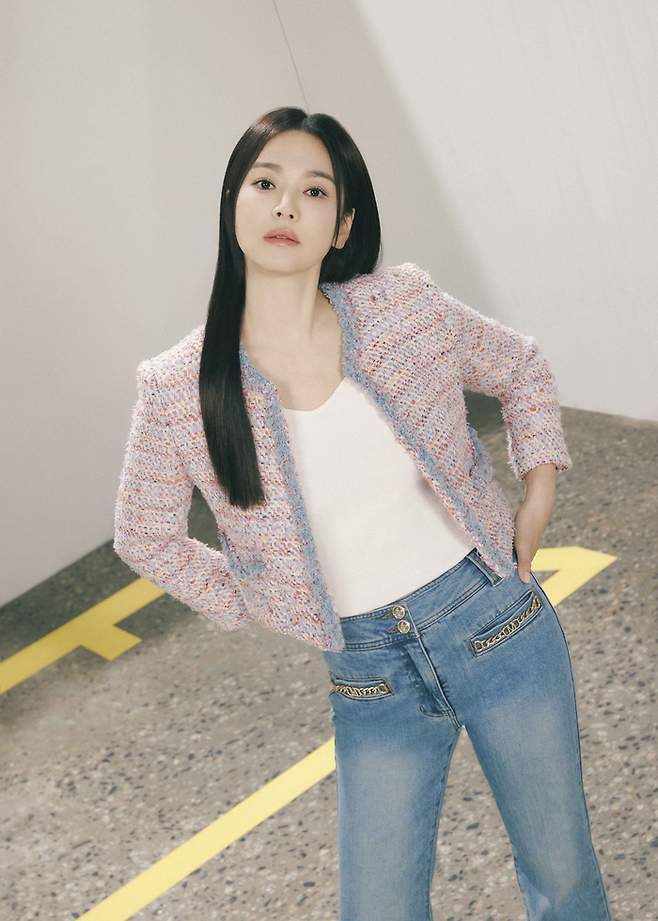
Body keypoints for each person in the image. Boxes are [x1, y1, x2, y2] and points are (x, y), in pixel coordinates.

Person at [114, 106, 613, 921]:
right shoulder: (177, 387)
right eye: (265, 183)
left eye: (314, 191)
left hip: (496, 623)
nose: (286, 204)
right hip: (369, 674)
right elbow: (143, 532)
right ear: (232, 203)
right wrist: (255, 595)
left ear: (342, 225)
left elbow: (520, 367)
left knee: (562, 882)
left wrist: (540, 490)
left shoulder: (399, 307)